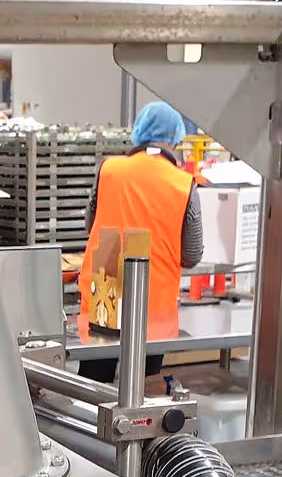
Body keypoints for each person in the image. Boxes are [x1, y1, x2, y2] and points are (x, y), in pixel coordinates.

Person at [79, 100, 204, 384]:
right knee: (143, 390)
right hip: (154, 299)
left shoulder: (109, 170)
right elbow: (192, 254)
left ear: (139, 132)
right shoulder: (183, 184)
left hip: (107, 287)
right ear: (175, 137)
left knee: (93, 383)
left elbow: (91, 225)